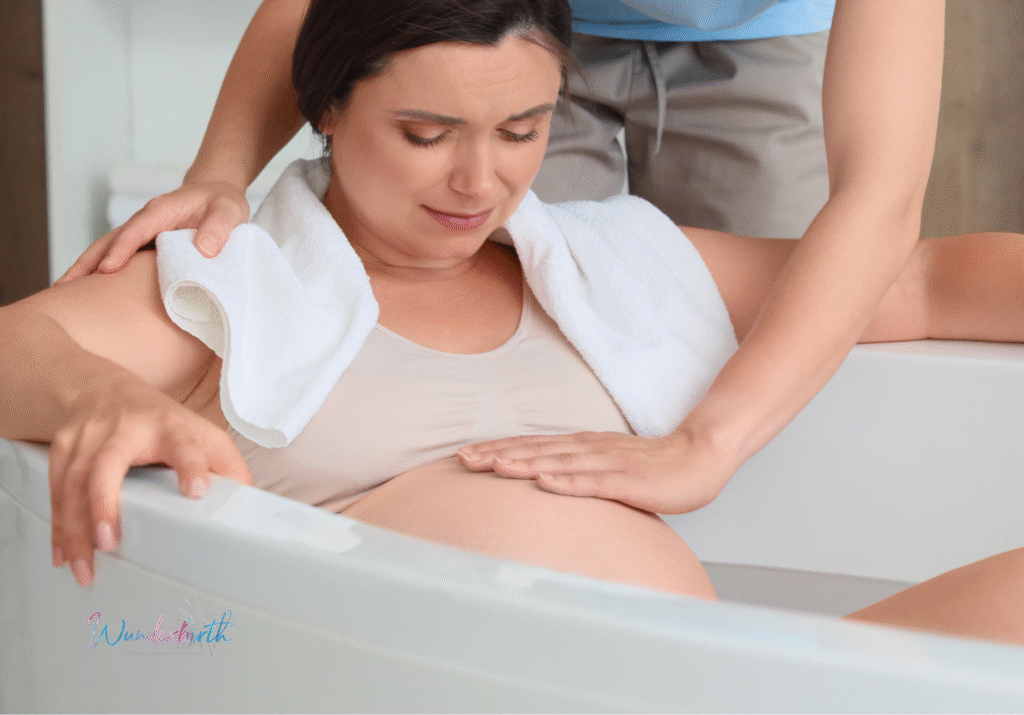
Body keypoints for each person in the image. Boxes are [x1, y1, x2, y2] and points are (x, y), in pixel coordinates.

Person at [4, 0, 1023, 646]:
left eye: (522, 131)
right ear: (326, 108)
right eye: (424, 133)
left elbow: (921, 279)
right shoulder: (242, 286)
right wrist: (103, 394)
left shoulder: (606, 262)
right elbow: (19, 340)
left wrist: (710, 441)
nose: (476, 180)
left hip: (726, 678)